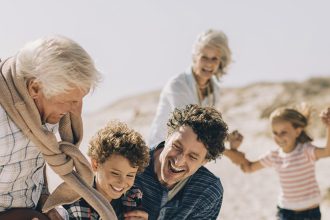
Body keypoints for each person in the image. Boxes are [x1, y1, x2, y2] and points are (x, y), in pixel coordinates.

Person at [0, 35, 117, 220]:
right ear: (35, 88)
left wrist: (45, 200)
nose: (76, 110)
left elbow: (34, 162)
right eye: (68, 101)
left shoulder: (44, 110)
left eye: (80, 100)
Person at [148, 29, 244, 165]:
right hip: (160, 155)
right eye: (204, 57)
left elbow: (207, 128)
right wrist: (231, 154)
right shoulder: (178, 85)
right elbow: (191, 130)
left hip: (187, 158)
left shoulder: (214, 89)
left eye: (214, 59)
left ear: (220, 61)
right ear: (195, 57)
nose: (209, 64)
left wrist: (228, 138)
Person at [126, 104, 229, 220]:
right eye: (176, 146)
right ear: (168, 136)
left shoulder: (208, 191)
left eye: (192, 156)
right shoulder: (129, 165)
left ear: (204, 161)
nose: (178, 162)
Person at [240, 106, 330, 220]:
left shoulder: (306, 150)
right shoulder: (274, 156)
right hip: (286, 213)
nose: (278, 137)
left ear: (297, 131)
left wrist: (328, 127)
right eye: (275, 132)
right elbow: (249, 168)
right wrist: (233, 151)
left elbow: (327, 152)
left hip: (310, 213)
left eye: (283, 132)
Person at [63, 121, 150, 220]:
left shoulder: (133, 195)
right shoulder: (77, 204)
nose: (122, 182)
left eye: (130, 175)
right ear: (95, 164)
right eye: (115, 173)